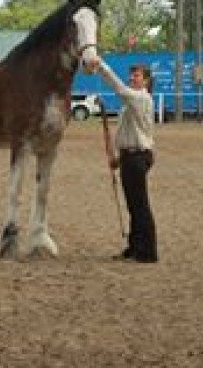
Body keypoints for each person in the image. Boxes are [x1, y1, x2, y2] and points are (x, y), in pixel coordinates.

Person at [85, 55, 158, 263]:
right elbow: (127, 132)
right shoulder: (133, 101)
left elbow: (119, 89)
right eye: (132, 75)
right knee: (134, 205)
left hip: (137, 156)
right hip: (131, 156)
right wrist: (118, 158)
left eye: (137, 76)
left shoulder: (141, 98)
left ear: (146, 81)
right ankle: (136, 247)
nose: (132, 78)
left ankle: (148, 251)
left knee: (140, 205)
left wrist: (101, 67)